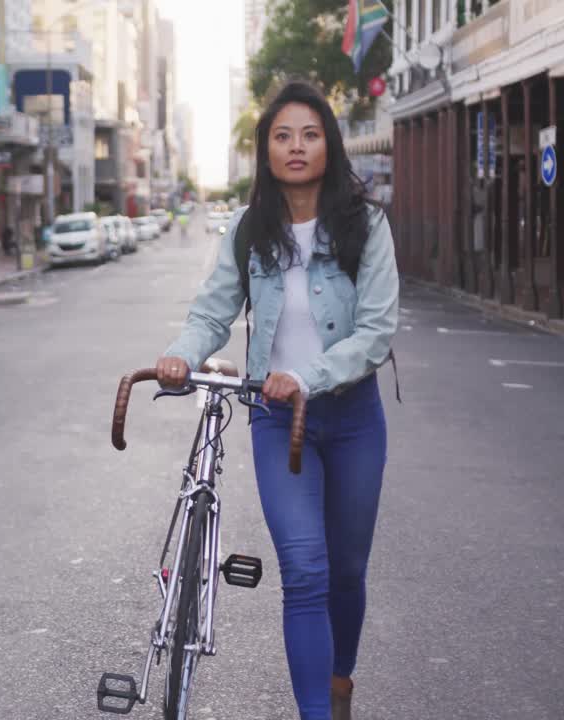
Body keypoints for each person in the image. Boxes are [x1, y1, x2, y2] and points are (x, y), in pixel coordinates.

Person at [156, 80, 399, 720]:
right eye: (282, 136)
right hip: (274, 421)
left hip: (350, 419)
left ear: (330, 144)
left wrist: (310, 376)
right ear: (266, 151)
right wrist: (182, 351)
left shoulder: (366, 226)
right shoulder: (247, 229)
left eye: (310, 134)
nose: (296, 147)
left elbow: (376, 332)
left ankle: (338, 684)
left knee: (346, 571)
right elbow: (211, 313)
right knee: (304, 569)